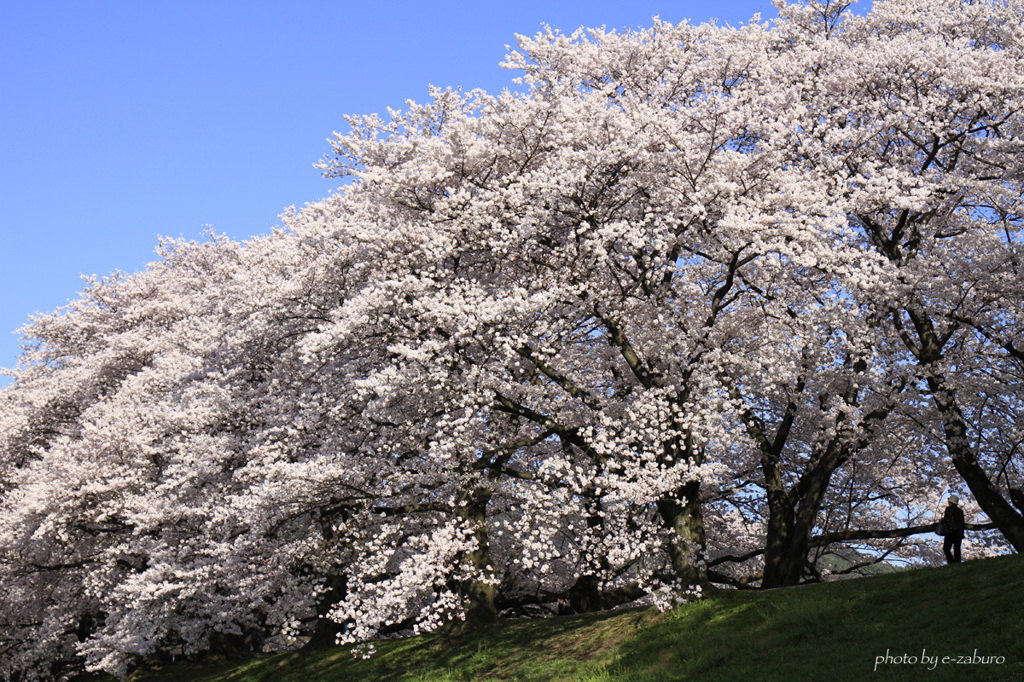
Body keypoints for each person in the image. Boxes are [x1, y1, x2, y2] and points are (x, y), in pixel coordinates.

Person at [941, 495, 966, 564]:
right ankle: (958, 562)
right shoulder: (960, 511)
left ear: (950, 502)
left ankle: (951, 562)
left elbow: (947, 519)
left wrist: (941, 521)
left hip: (950, 531)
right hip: (959, 533)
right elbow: (962, 522)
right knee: (957, 549)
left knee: (946, 548)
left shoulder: (948, 509)